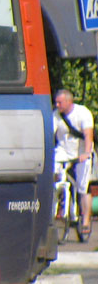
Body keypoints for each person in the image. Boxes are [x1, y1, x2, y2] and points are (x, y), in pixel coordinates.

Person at [53, 88, 94, 233]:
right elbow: (51, 132)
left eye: (60, 102)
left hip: (81, 152)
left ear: (69, 102)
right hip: (63, 151)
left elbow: (88, 135)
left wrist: (87, 153)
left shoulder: (83, 113)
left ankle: (86, 220)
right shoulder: (56, 115)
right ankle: (58, 206)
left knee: (83, 187)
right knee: (54, 176)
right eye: (56, 102)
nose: (57, 105)